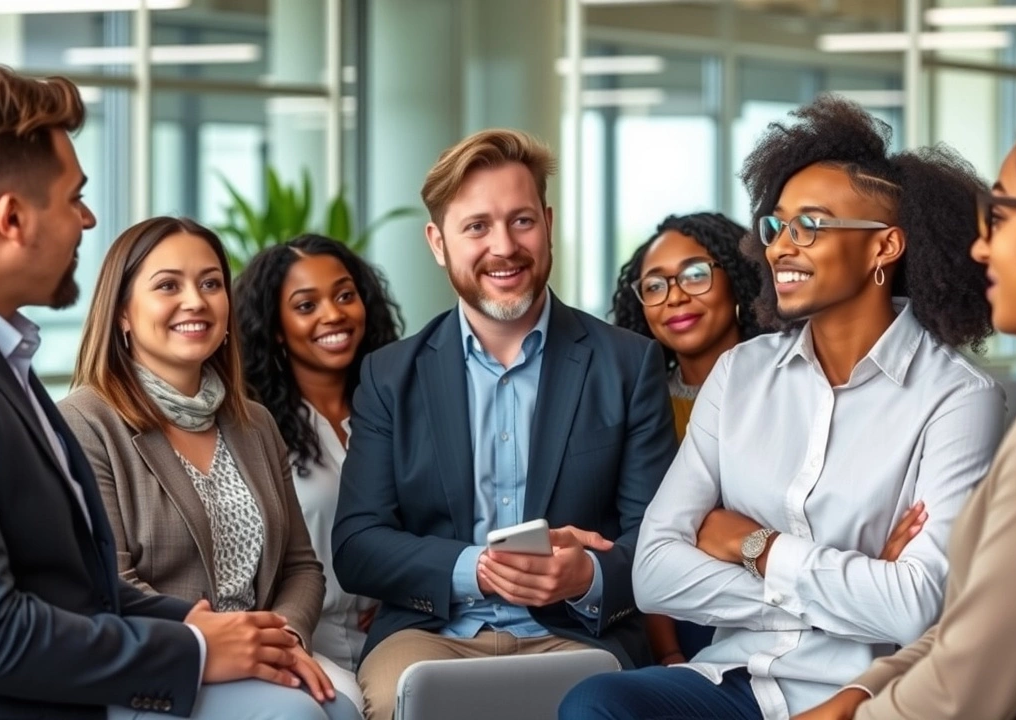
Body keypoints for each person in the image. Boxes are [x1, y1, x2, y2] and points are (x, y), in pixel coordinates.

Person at [0, 66, 306, 720]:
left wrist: (214, 629)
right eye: (74, 197)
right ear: (11, 218)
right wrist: (193, 650)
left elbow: (73, 589)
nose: (88, 219)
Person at [560, 96, 1007, 720]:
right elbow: (656, 573)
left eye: (812, 226)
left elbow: (917, 606)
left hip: (860, 692)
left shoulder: (957, 397)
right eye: (777, 226)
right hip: (728, 679)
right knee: (597, 703)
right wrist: (851, 583)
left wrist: (755, 546)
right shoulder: (741, 374)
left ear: (884, 247)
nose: (780, 248)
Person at [793, 61, 1016, 720]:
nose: (980, 249)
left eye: (999, 216)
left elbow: (963, 693)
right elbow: (973, 627)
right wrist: (862, 691)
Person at [331, 128, 677, 720]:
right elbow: (357, 544)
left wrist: (585, 575)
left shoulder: (626, 363)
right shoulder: (389, 375)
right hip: (430, 634)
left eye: (521, 221)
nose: (504, 247)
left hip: (578, 634)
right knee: (396, 702)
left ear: (547, 224)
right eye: (476, 227)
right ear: (438, 243)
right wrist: (477, 571)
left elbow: (659, 538)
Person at [58, 217, 361, 720]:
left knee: (342, 710)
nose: (196, 301)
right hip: (158, 668)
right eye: (167, 286)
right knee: (300, 717)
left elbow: (301, 567)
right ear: (123, 314)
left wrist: (280, 637)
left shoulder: (254, 422)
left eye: (211, 283)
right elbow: (110, 584)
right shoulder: (85, 422)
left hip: (263, 656)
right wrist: (215, 644)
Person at [233, 235, 403, 676]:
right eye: (306, 306)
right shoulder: (250, 429)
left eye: (345, 296)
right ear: (275, 326)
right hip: (303, 645)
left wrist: (403, 596)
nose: (333, 314)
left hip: (403, 636)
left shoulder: (404, 406)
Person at [610, 211, 767, 665]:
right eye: (655, 286)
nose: (675, 297)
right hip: (670, 615)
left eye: (695, 274)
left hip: (783, 599)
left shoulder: (786, 386)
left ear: (736, 280)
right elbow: (646, 537)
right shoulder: (641, 405)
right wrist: (669, 653)